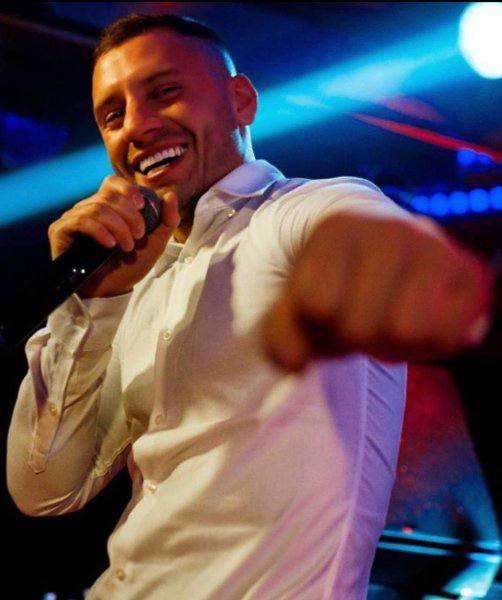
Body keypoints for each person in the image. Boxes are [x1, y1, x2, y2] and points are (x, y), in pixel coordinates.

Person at [6, 13, 492, 600]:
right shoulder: (133, 286)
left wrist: (398, 266)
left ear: (240, 101)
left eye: (165, 92)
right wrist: (89, 304)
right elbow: (43, 489)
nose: (136, 125)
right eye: (113, 116)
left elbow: (357, 235)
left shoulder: (306, 209)